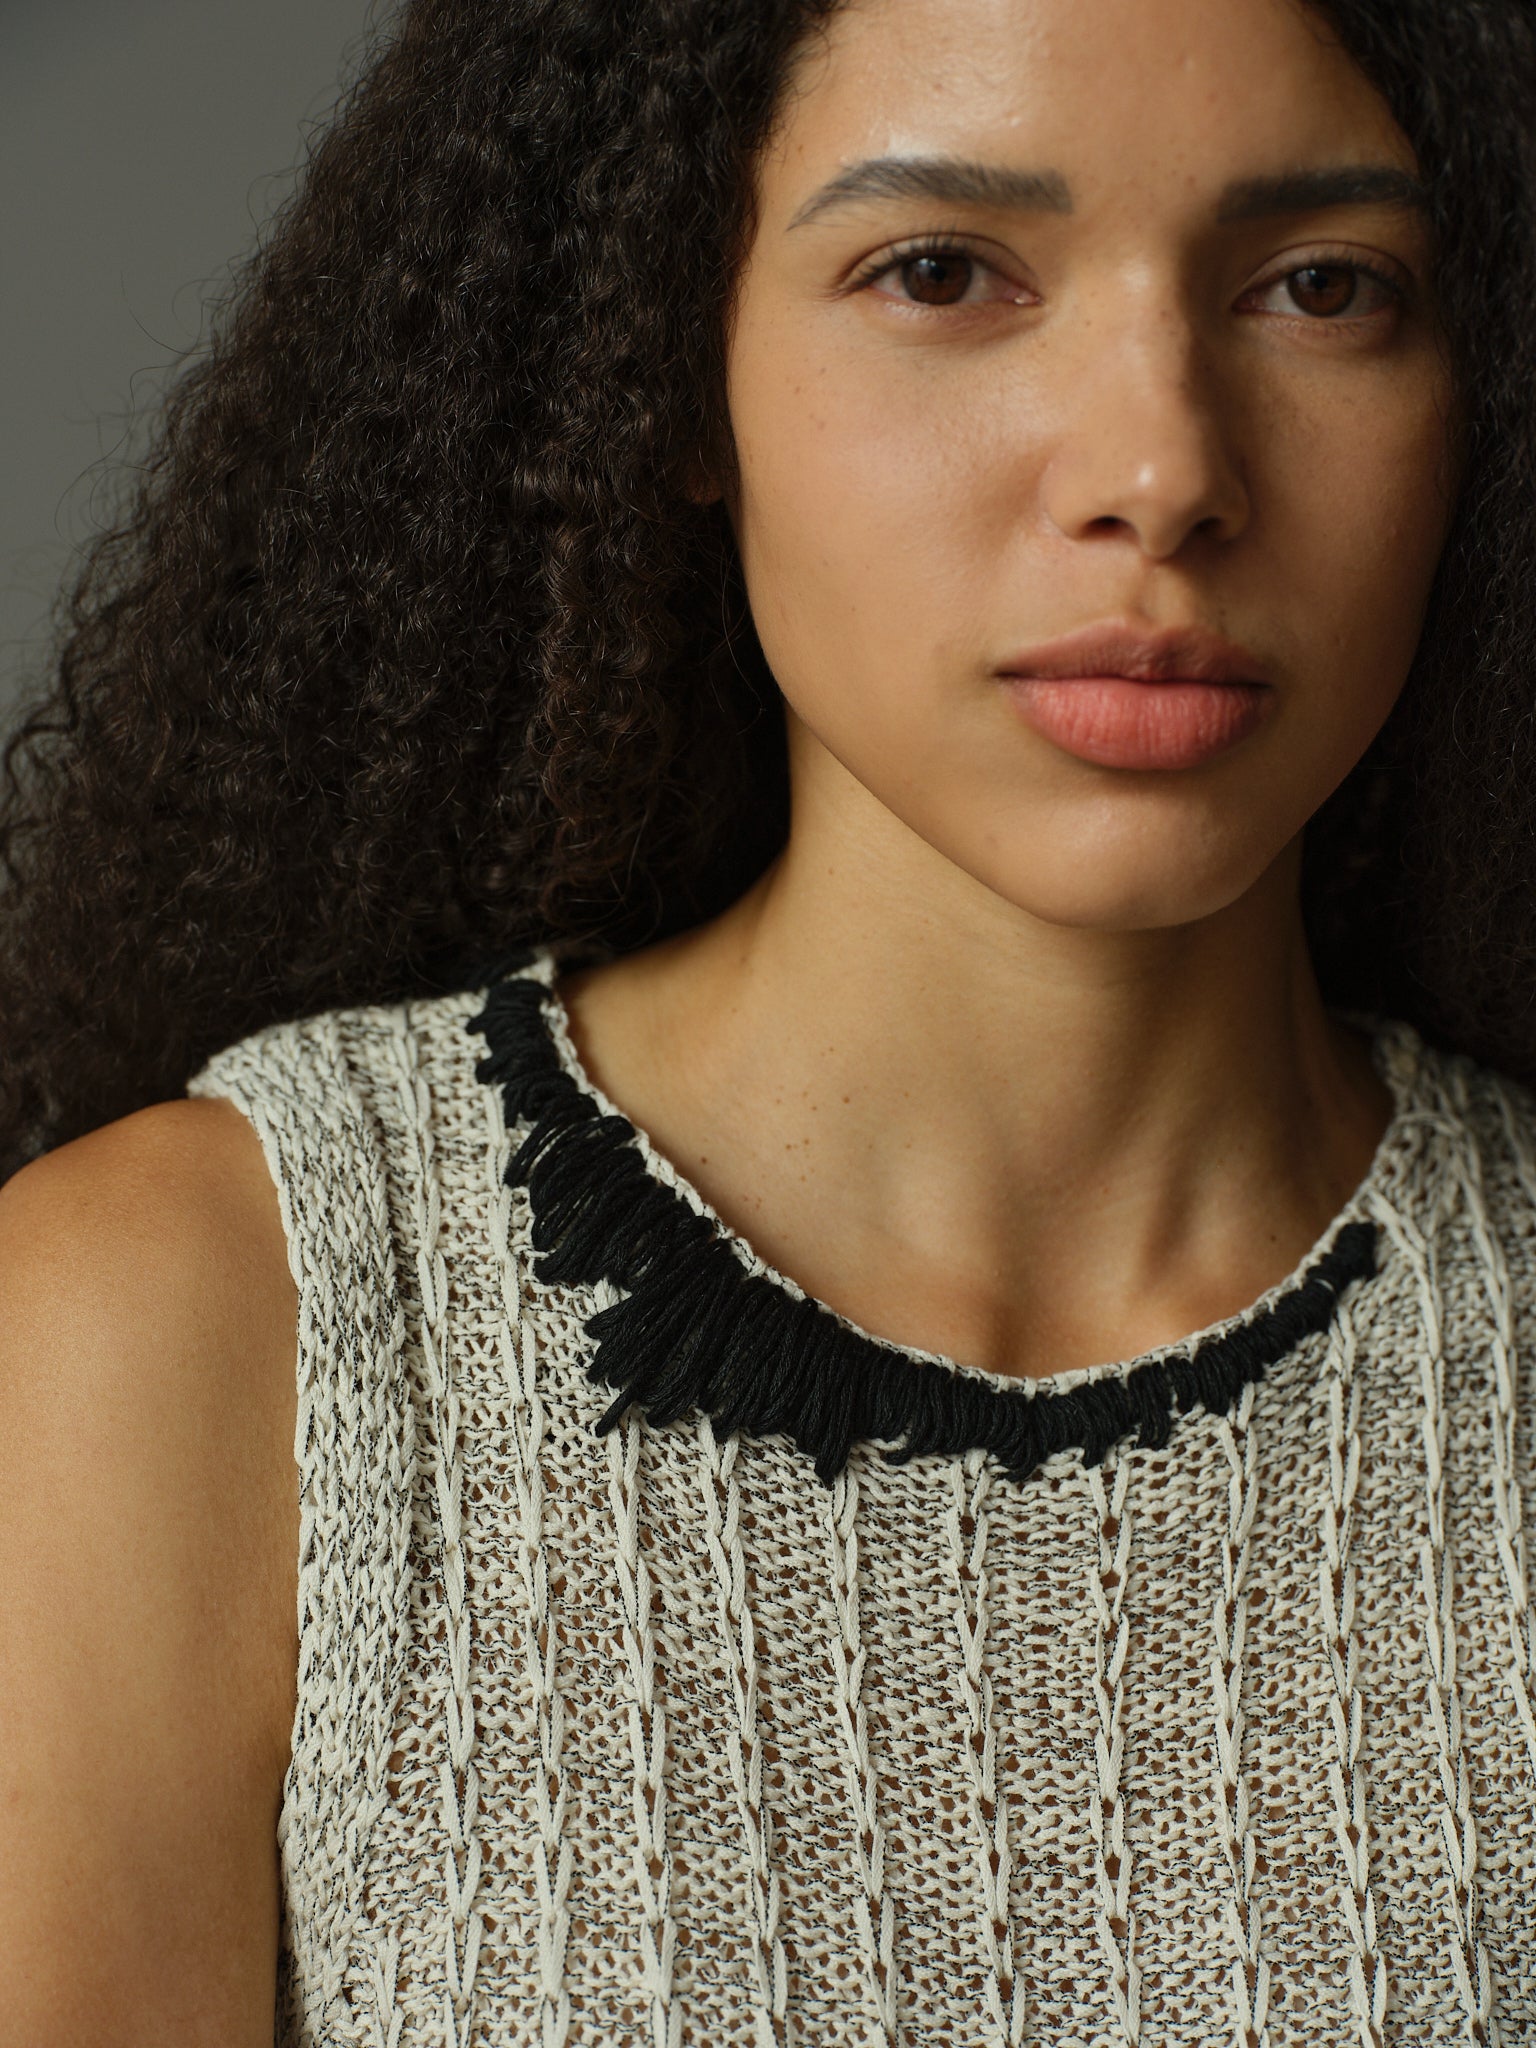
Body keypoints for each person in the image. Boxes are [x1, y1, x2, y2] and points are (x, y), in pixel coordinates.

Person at [2, 0, 1535, 2037]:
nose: (1163, 471)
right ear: (677, 380)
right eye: (942, 273)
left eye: (1324, 288)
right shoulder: (191, 1325)